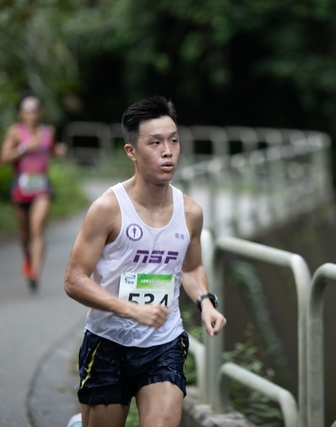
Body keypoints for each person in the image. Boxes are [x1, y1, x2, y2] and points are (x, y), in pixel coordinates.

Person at [64, 96, 226, 427]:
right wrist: (131, 310)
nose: (168, 151)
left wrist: (206, 302)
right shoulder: (108, 209)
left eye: (174, 141)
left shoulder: (190, 212)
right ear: (132, 152)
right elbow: (74, 280)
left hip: (163, 343)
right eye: (155, 143)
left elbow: (192, 267)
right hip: (108, 342)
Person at [0, 94, 67, 291]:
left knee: (37, 230)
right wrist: (24, 148)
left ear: (40, 112)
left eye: (35, 109)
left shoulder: (48, 132)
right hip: (20, 189)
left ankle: (35, 272)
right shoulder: (15, 132)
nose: (32, 114)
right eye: (27, 110)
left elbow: (53, 152)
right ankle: (28, 257)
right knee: (24, 234)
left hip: (42, 189)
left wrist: (59, 151)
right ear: (21, 113)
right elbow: (3, 159)